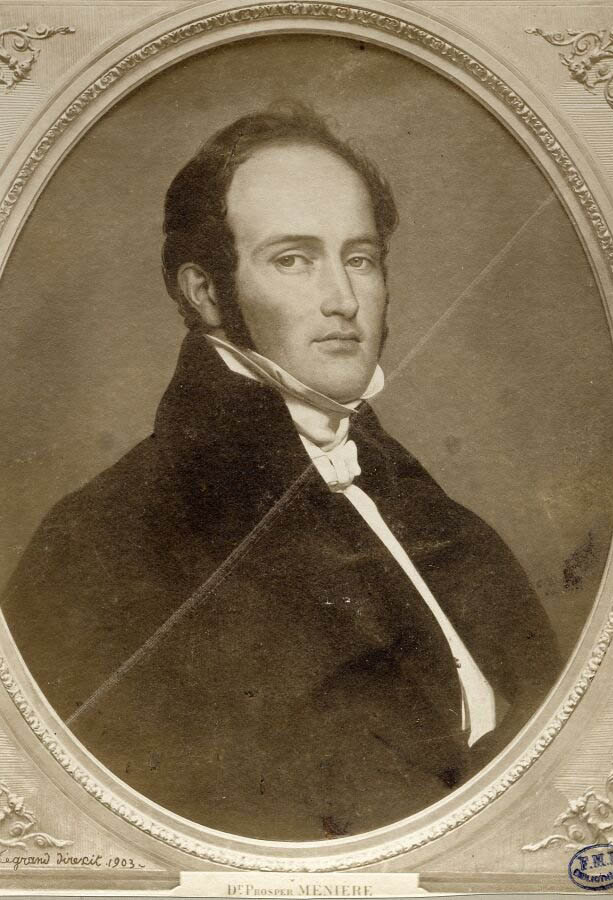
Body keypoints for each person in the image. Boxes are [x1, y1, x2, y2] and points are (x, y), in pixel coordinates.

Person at [2, 104, 561, 841]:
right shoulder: (102, 540)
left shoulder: (420, 504)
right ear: (205, 292)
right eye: (293, 259)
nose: (343, 300)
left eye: (359, 258)